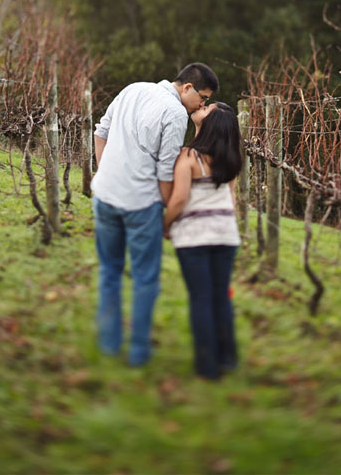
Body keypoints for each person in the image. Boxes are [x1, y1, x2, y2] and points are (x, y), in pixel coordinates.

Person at [92, 62, 219, 366]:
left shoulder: (132, 88)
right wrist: (167, 212)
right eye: (202, 97)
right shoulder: (175, 114)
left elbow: (101, 132)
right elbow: (165, 173)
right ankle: (138, 351)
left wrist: (105, 171)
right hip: (141, 204)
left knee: (110, 270)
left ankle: (108, 345)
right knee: (145, 278)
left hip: (105, 195)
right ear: (187, 87)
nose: (202, 104)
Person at [164, 102, 242, 379]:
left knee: (201, 298)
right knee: (221, 297)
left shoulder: (188, 157)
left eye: (208, 109)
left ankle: (207, 365)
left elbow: (179, 199)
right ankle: (228, 357)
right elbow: (231, 200)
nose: (203, 107)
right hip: (225, 234)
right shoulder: (230, 158)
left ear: (211, 125)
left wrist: (165, 224)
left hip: (194, 237)